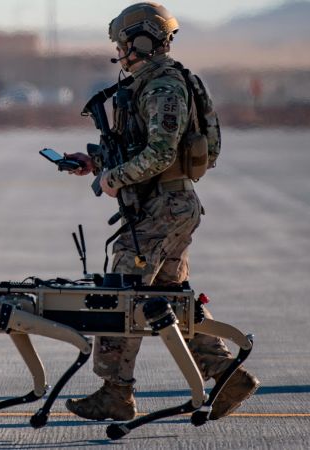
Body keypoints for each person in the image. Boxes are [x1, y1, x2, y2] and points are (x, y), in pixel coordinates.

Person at [63, 2, 259, 422]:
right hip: (164, 206)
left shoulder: (163, 87)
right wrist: (97, 163)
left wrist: (114, 178)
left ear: (144, 41)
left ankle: (116, 392)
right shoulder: (150, 84)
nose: (120, 52)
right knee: (168, 301)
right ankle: (228, 377)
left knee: (120, 295)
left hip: (163, 208)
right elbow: (145, 152)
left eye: (123, 44)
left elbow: (160, 153)